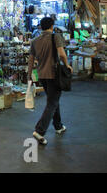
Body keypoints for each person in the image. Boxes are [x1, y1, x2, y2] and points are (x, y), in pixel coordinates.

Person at [27, 17, 73, 145]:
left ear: (40, 27)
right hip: (54, 74)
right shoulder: (55, 36)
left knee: (53, 100)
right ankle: (39, 131)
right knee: (52, 102)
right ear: (52, 26)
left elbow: (31, 60)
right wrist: (67, 65)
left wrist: (29, 75)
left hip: (42, 75)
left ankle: (58, 126)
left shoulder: (35, 41)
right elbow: (62, 54)